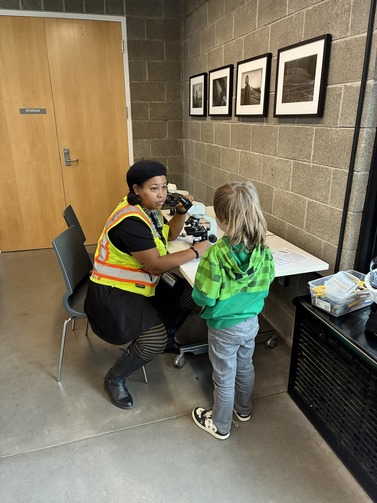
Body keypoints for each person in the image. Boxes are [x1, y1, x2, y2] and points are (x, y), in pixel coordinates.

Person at [84, 159, 210, 409]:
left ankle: (169, 337)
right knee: (153, 338)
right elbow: (154, 265)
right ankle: (114, 379)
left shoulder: (147, 210)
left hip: (138, 285)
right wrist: (197, 251)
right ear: (136, 189)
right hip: (111, 292)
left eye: (164, 187)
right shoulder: (131, 221)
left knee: (188, 291)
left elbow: (170, 235)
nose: (162, 194)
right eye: (154, 188)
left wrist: (181, 213)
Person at [191, 181, 275, 439]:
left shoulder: (214, 256)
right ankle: (244, 409)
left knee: (223, 376)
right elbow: (267, 283)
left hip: (223, 326)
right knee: (246, 366)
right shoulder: (264, 251)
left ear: (222, 219)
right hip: (251, 322)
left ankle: (220, 425)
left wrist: (204, 300)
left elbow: (204, 296)